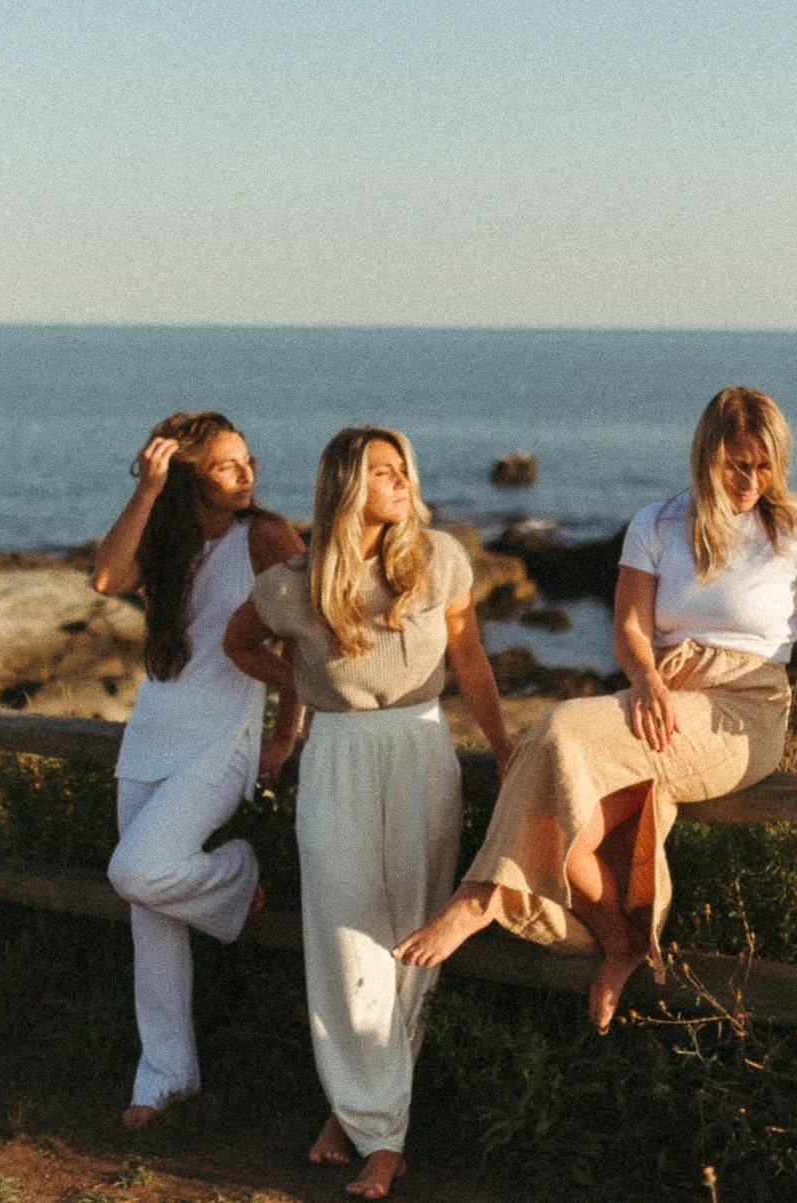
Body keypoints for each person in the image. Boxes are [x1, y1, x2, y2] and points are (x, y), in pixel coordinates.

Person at [394, 387, 797, 1032]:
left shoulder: (796, 529)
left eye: (764, 466)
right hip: (663, 692)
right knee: (561, 823)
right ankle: (624, 946)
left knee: (559, 728)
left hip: (743, 710)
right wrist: (649, 680)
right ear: (706, 457)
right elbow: (629, 627)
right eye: (737, 465)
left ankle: (480, 896)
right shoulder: (656, 524)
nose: (750, 481)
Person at [223, 426, 513, 1202]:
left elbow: (471, 661)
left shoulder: (441, 557)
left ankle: (366, 1122)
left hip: (421, 746)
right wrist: (301, 683)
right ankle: (374, 1128)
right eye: (383, 471)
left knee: (415, 940)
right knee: (347, 935)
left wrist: (506, 748)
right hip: (338, 754)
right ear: (347, 484)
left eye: (404, 470)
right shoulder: (292, 583)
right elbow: (237, 641)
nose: (401, 482)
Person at [91, 411, 305, 1130]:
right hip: (153, 731)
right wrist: (148, 488)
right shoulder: (168, 533)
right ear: (188, 476)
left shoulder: (267, 535)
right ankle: (164, 1075)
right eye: (225, 464)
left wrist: (287, 731)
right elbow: (105, 576)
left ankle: (237, 873)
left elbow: (309, 633)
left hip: (223, 737)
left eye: (248, 459)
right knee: (149, 915)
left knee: (136, 870)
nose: (247, 473)